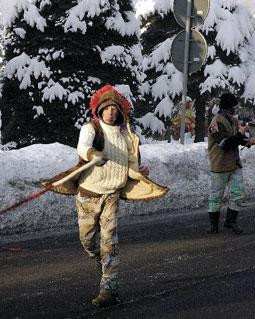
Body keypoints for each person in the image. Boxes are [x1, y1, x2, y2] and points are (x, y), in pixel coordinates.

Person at [43, 84, 168, 307]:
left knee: (109, 242)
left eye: (115, 108)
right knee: (88, 240)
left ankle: (108, 288)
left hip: (112, 194)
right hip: (88, 193)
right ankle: (102, 261)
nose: (111, 112)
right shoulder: (91, 128)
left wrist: (138, 174)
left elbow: (129, 166)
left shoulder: (128, 137)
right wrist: (93, 154)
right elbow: (83, 147)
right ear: (100, 110)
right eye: (107, 108)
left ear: (120, 112)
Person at [207, 93, 255, 235]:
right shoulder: (216, 122)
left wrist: (247, 141)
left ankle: (230, 221)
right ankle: (213, 225)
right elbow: (225, 143)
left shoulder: (232, 120)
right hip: (220, 165)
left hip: (234, 164)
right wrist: (240, 135)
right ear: (228, 107)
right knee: (216, 196)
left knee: (238, 193)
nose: (235, 109)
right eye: (233, 107)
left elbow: (236, 138)